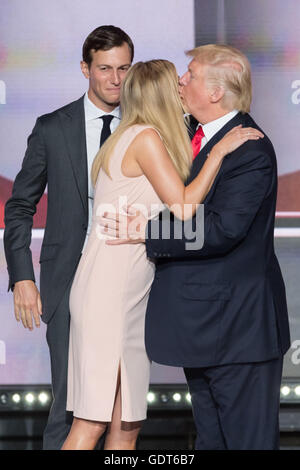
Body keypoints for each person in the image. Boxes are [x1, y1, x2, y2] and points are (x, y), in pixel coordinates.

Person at [61, 57, 263, 450]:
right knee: (92, 421)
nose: (184, 87)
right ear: (162, 93)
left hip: (128, 291)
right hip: (111, 291)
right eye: (178, 82)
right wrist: (220, 151)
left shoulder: (139, 133)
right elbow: (185, 207)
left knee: (126, 424)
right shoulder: (144, 137)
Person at [100, 44, 291, 450]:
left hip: (237, 330)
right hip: (200, 328)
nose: (181, 82)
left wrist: (147, 232)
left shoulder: (250, 148)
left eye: (190, 75)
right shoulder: (187, 134)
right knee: (211, 441)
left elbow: (222, 228)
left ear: (217, 92)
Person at [3, 25, 134, 450]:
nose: (116, 79)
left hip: (132, 282)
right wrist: (23, 276)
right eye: (105, 69)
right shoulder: (52, 128)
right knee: (71, 406)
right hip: (69, 281)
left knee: (123, 413)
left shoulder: (145, 125)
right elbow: (19, 206)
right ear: (85, 69)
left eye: (124, 69)